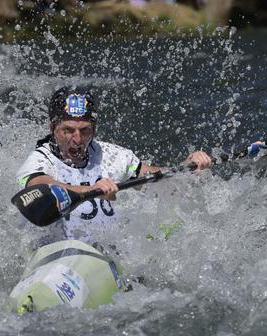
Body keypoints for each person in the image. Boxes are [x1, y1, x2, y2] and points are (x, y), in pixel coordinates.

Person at [15, 86, 212, 240]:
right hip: (56, 254)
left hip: (104, 256)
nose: (77, 139)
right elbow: (39, 186)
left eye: (85, 130)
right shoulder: (39, 160)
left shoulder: (113, 155)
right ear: (53, 127)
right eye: (68, 130)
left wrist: (187, 168)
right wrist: (90, 189)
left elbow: (157, 181)